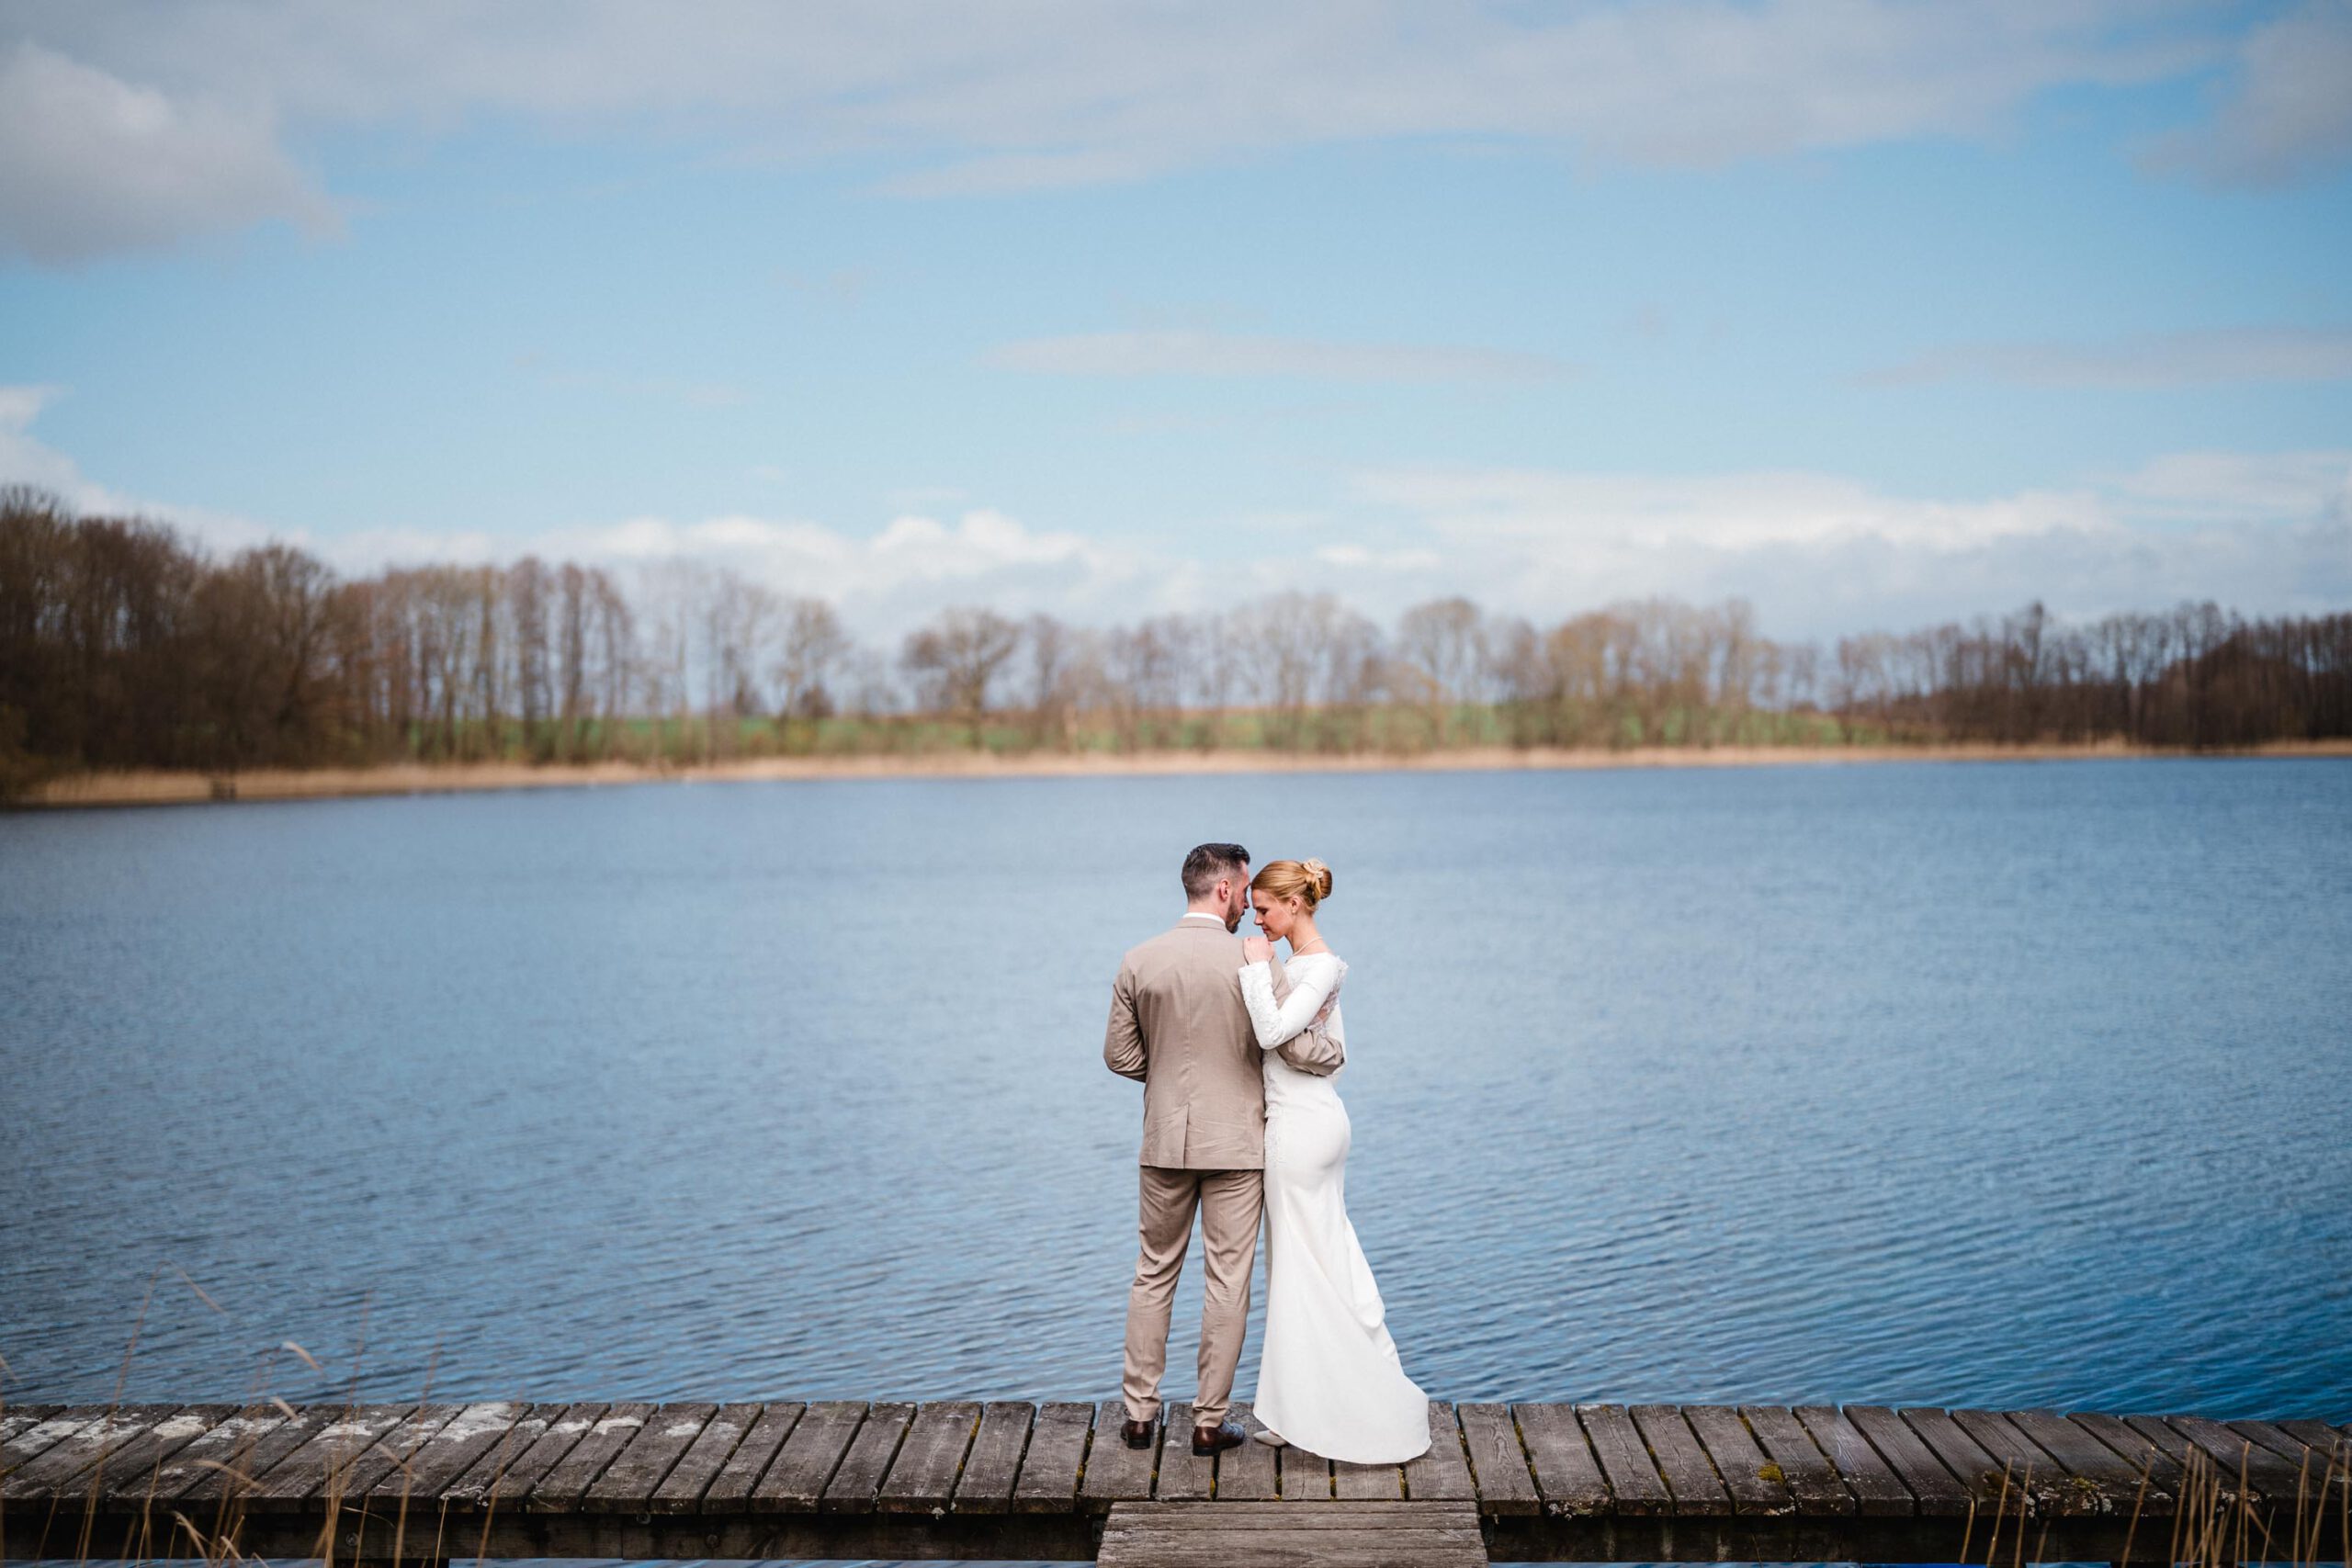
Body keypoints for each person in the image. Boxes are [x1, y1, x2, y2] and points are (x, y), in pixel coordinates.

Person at [1237, 857, 1430, 1463]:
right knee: (1308, 1262)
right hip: (1304, 1123)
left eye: (1264, 908)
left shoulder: (1316, 966)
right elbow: (1329, 1050)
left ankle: (1348, 1404)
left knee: (1302, 1265)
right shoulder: (1299, 964)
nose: (1256, 918)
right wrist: (1270, 967)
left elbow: (1271, 1032)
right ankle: (1298, 1405)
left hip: (1303, 1129)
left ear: (1295, 904)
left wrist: (1255, 970)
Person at [1102, 841, 1262, 1456]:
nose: (1248, 905)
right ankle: (1206, 1421)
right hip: (1238, 1144)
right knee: (1227, 1281)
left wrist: (1169, 1078)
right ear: (1223, 888)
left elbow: (1119, 1055)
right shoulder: (1251, 959)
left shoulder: (1139, 959)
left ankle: (1139, 1416)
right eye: (1245, 892)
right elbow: (1277, 1038)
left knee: (1153, 1273)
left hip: (1164, 1138)